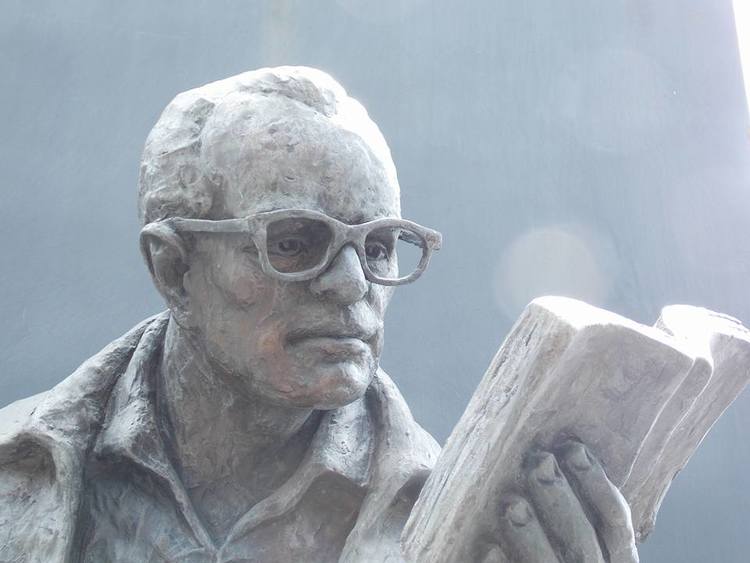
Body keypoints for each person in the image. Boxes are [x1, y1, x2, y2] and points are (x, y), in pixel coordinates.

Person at [0, 67, 637, 562]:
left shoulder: (455, 522)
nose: (353, 284)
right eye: (294, 242)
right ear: (174, 269)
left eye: (378, 246)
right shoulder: (18, 471)